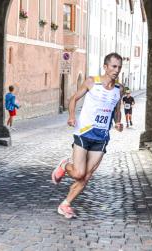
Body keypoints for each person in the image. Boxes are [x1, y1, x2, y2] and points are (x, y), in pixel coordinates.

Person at [51, 53, 124, 218]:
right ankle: (64, 165)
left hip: (102, 137)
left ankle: (65, 204)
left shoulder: (119, 89)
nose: (116, 70)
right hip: (84, 133)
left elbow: (116, 109)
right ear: (105, 67)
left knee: (87, 175)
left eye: (119, 67)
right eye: (113, 66)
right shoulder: (92, 82)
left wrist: (118, 122)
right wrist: (71, 116)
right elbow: (73, 99)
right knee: (78, 173)